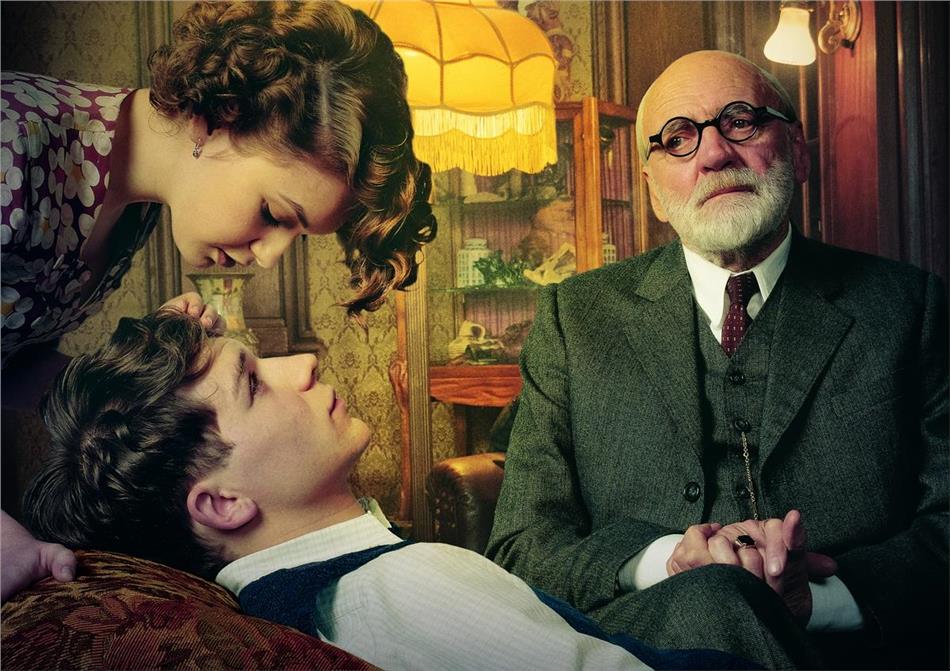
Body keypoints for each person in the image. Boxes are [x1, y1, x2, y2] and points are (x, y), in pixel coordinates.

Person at [486, 50, 948, 669]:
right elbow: (521, 547)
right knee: (709, 601)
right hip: (639, 645)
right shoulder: (576, 318)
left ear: (798, 152)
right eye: (678, 139)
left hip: (850, 648)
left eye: (740, 121)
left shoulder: (908, 307)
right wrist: (665, 562)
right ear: (652, 190)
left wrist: (817, 600)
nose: (713, 154)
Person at [22, 308, 757, 671]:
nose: (302, 366)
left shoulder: (307, 596)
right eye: (254, 382)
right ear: (221, 503)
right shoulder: (397, 589)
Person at [1, 0, 435, 603]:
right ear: (216, 119)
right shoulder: (14, 143)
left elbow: (9, 367)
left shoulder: (133, 208)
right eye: (274, 213)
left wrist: (148, 380)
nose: (269, 256)